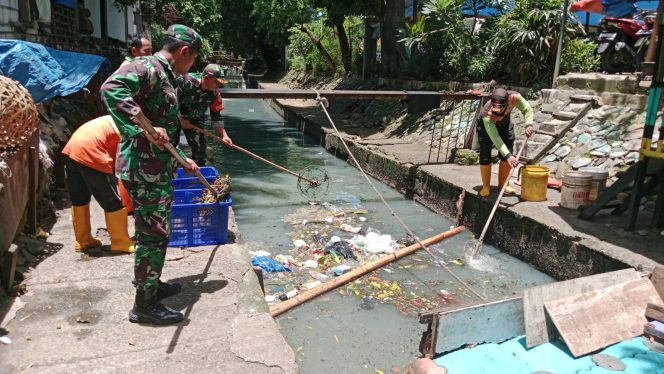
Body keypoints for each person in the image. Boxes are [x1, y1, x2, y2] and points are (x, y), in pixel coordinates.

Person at [100, 24, 203, 325]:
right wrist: (141, 125)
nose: (191, 66)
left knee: (157, 230)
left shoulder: (167, 76)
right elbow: (111, 89)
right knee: (152, 233)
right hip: (142, 167)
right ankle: (143, 305)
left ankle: (152, 284)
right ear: (185, 52)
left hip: (156, 166)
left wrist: (184, 159)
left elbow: (165, 129)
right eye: (193, 59)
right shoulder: (148, 67)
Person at [62, 116, 135, 253]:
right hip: (91, 151)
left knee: (79, 199)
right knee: (111, 200)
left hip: (71, 150)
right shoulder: (126, 124)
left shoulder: (112, 118)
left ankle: (83, 241)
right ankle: (121, 242)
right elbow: (122, 160)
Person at [476, 88, 534, 197]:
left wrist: (529, 124)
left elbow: (527, 109)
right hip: (486, 128)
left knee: (508, 149)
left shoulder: (514, 98)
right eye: (495, 115)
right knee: (485, 153)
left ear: (507, 104)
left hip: (506, 125)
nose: (496, 118)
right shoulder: (486, 114)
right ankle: (486, 187)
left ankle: (503, 185)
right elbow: (495, 138)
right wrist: (508, 156)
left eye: (498, 115)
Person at [177, 63, 232, 165]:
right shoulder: (185, 82)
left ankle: (199, 174)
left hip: (195, 119)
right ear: (206, 78)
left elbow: (216, 116)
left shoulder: (215, 94)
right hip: (173, 117)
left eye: (220, 83)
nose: (218, 85)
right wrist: (179, 118)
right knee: (170, 145)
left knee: (200, 149)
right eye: (216, 82)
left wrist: (224, 136)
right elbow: (168, 102)